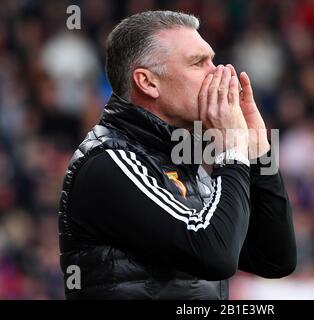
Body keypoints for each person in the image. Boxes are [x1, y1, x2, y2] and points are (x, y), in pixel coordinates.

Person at [58, 10, 296, 300]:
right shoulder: (108, 162)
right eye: (198, 63)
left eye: (212, 59)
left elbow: (274, 259)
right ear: (148, 83)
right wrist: (231, 151)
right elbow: (213, 255)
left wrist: (258, 152)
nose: (218, 72)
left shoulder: (185, 162)